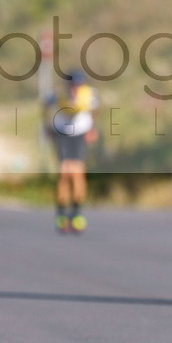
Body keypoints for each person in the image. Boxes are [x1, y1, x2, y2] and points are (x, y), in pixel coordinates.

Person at [44, 71, 99, 233]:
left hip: (80, 132)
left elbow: (96, 110)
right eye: (72, 86)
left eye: (78, 86)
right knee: (64, 172)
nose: (74, 89)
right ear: (67, 86)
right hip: (61, 131)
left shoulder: (89, 94)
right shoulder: (57, 94)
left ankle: (76, 214)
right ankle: (61, 213)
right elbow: (45, 108)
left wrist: (92, 129)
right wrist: (47, 127)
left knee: (77, 172)